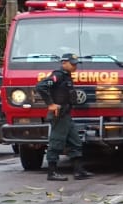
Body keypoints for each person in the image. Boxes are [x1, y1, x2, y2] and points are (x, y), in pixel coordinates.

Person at [38, 54, 89, 182]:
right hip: (59, 114)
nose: (75, 66)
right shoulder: (58, 75)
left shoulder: (66, 76)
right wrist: (50, 104)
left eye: (76, 64)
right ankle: (52, 172)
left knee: (76, 142)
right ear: (64, 63)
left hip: (66, 114)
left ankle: (78, 171)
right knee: (56, 142)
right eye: (73, 63)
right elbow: (40, 86)